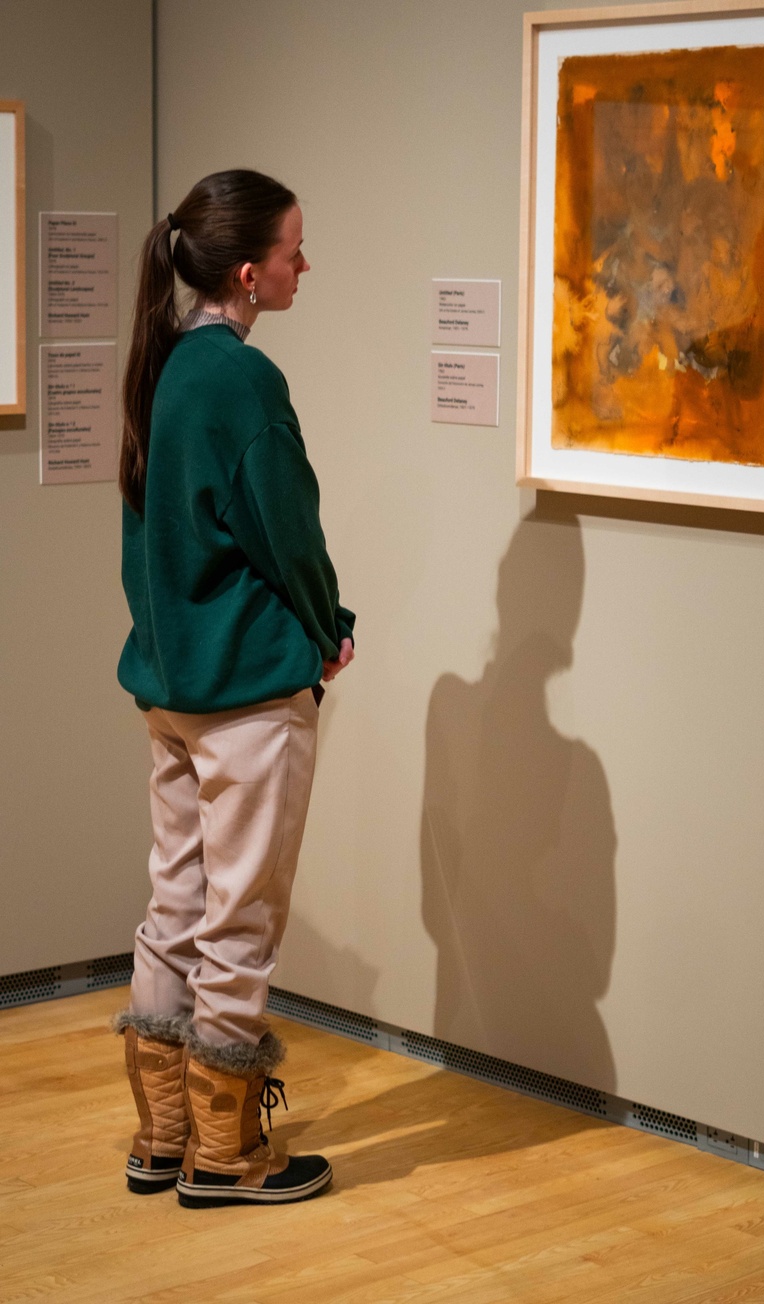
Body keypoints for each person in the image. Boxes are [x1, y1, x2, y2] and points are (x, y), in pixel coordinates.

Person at [113, 168, 355, 1208]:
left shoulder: (164, 369)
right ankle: (225, 1157)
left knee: (174, 907)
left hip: (172, 685)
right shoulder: (244, 384)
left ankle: (160, 1136)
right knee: (240, 918)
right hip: (249, 691)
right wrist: (330, 626)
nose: (308, 266)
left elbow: (149, 539)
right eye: (297, 251)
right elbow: (286, 531)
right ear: (250, 273)